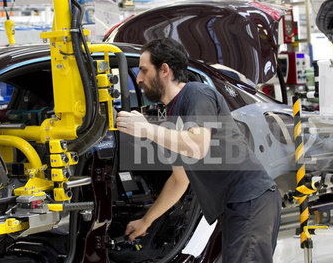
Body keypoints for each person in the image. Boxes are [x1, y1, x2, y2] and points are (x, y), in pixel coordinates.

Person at [116, 38, 282, 263]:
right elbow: (179, 180)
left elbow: (197, 146)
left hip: (250, 200)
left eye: (144, 70)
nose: (139, 78)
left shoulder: (196, 93)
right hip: (238, 205)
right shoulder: (173, 115)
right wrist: (146, 221)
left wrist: (146, 129)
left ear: (164, 70)